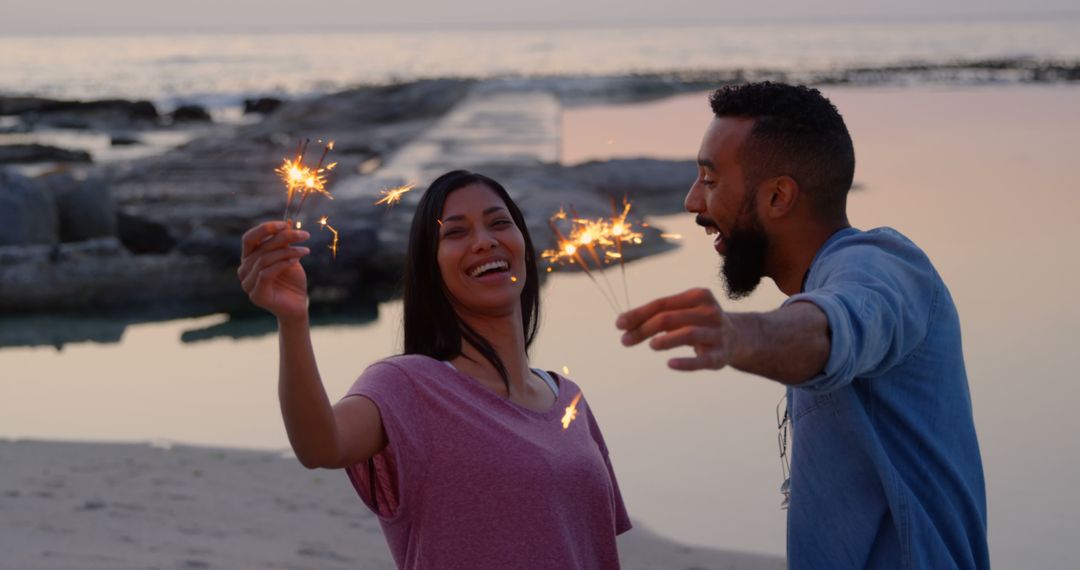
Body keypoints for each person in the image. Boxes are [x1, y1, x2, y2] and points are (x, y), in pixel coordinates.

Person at [615, 82, 988, 569]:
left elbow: (837, 329)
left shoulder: (885, 267)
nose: (692, 203)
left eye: (709, 180)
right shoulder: (826, 279)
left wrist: (739, 335)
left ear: (777, 196)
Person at [238, 170, 631, 569]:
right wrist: (292, 321)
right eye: (456, 233)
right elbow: (321, 445)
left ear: (525, 247)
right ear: (432, 268)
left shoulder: (570, 402)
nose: (484, 241)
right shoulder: (409, 385)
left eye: (499, 223)